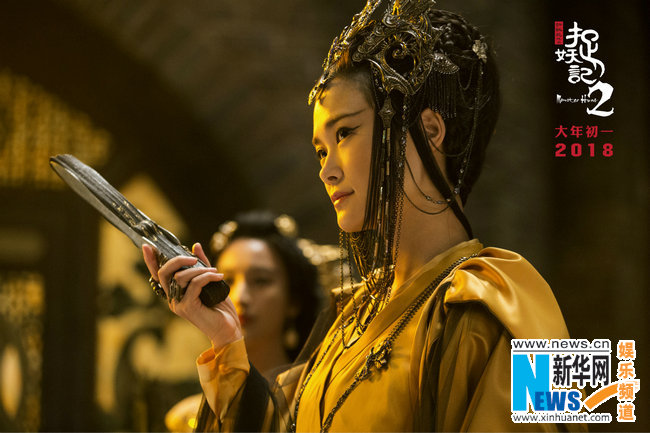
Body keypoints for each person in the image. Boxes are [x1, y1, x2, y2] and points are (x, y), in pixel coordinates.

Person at [143, 1, 586, 431]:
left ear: (430, 130)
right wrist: (225, 339)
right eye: (321, 151)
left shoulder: (502, 304)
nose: (327, 171)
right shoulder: (349, 319)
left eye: (345, 133)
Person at [163, 211, 323, 431]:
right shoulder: (186, 418)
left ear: (293, 300)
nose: (241, 297)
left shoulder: (318, 396)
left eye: (261, 281)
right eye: (227, 280)